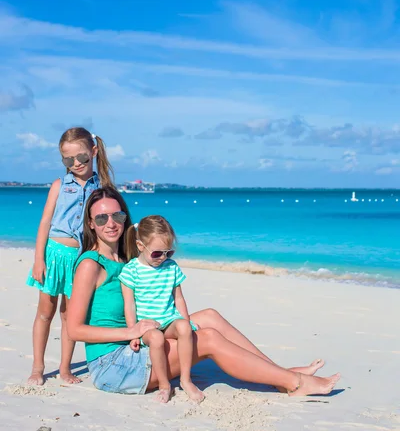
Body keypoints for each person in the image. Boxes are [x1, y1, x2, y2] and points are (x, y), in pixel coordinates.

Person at [68, 186, 340, 399]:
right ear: (91, 224)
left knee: (209, 316)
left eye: (117, 215)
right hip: (114, 365)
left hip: (140, 343)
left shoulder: (127, 260)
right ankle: (296, 382)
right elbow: (75, 330)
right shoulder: (91, 265)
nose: (111, 223)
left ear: (126, 218)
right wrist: (129, 332)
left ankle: (278, 375)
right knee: (207, 339)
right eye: (101, 217)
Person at [26, 127, 114, 386]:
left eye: (82, 158)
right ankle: (37, 367)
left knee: (69, 315)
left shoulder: (102, 188)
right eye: (68, 160)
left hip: (81, 259)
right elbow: (44, 223)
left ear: (94, 152)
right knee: (45, 312)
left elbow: (104, 227)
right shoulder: (59, 185)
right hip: (53, 255)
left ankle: (65, 369)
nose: (76, 164)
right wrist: (38, 259)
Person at [119, 215, 203, 403]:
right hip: (146, 326)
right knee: (156, 337)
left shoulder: (170, 267)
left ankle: (185, 379)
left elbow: (178, 298)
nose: (163, 258)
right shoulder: (131, 271)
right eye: (157, 253)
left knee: (184, 327)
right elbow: (129, 305)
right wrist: (133, 333)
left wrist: (185, 320)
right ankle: (165, 384)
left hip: (169, 319)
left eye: (168, 253)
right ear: (141, 246)